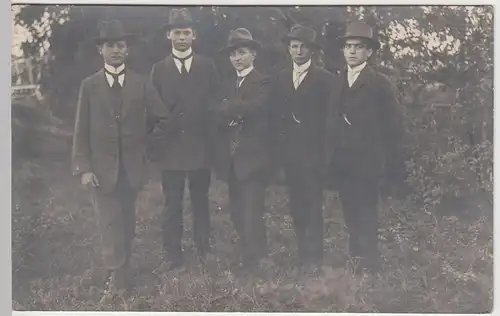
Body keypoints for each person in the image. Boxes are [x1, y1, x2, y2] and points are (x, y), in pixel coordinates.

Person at [71, 20, 169, 291]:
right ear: (100, 50)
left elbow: (162, 119)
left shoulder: (141, 84)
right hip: (101, 168)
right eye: (110, 46)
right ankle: (117, 277)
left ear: (127, 51)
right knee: (109, 219)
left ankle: (122, 268)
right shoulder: (89, 86)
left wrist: (145, 148)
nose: (116, 50)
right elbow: (81, 130)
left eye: (121, 46)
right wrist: (84, 168)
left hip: (131, 168)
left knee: (127, 220)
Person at [327, 21, 405, 275]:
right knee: (349, 209)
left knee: (366, 211)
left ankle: (370, 264)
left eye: (358, 47)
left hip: (368, 159)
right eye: (348, 47)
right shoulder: (338, 80)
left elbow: (393, 125)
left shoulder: (379, 82)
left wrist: (388, 162)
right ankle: (355, 258)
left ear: (369, 52)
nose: (351, 52)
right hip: (343, 159)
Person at [150, 8, 219, 270]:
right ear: (168, 35)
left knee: (200, 201)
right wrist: (157, 142)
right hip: (171, 150)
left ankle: (203, 250)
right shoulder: (158, 70)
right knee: (172, 203)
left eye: (186, 32)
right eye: (177, 32)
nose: (181, 37)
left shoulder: (207, 66)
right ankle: (173, 254)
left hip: (200, 147)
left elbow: (215, 103)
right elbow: (153, 110)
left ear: (194, 35)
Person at [269, 24, 335, 274]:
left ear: (312, 51)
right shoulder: (279, 78)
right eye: (294, 46)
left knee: (312, 205)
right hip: (289, 154)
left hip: (313, 153)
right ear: (288, 49)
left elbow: (330, 120)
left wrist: (325, 153)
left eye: (303, 46)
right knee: (296, 205)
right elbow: (274, 116)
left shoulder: (326, 80)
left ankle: (314, 257)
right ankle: (301, 253)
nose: (298, 51)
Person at [211, 28, 272, 274]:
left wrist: (231, 109)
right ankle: (248, 253)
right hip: (232, 159)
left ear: (253, 54)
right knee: (237, 211)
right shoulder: (227, 84)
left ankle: (256, 262)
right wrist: (233, 112)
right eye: (233, 54)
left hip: (253, 158)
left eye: (242, 52)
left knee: (252, 212)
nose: (237, 58)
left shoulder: (264, 81)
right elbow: (216, 113)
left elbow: (257, 109)